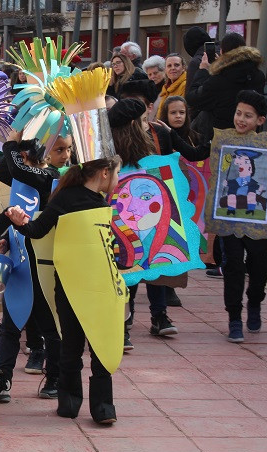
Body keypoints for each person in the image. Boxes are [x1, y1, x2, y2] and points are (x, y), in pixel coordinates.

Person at [13, 155, 122, 424]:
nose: (118, 181)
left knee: (100, 343)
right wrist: (20, 222)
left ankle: (103, 407)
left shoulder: (103, 203)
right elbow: (38, 230)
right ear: (105, 173)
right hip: (70, 285)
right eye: (117, 174)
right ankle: (69, 401)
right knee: (71, 344)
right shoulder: (65, 198)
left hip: (101, 285)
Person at [0, 135, 63, 402]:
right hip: (18, 265)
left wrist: (11, 143)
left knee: (50, 327)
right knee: (9, 326)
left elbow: (17, 168)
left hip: (42, 267)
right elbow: (2, 169)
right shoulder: (23, 181)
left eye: (67, 150)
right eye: (59, 149)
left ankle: (54, 378)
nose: (64, 156)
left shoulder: (50, 178)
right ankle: (0, 379)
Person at [108, 97, 181, 339]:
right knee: (126, 267)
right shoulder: (110, 155)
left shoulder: (149, 151)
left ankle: (158, 316)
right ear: (132, 125)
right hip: (123, 219)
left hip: (148, 218)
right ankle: (123, 322)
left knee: (155, 263)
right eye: (142, 121)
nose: (147, 125)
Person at [220, 90, 267, 342]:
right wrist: (171, 135)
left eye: (248, 116)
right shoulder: (223, 143)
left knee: (259, 264)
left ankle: (255, 301)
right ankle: (234, 319)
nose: (241, 119)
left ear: (259, 120)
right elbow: (197, 154)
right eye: (239, 113)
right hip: (230, 218)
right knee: (233, 265)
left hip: (259, 219)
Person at [186, 32, 265, 143]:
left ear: (222, 52)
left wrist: (203, 71)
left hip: (219, 138)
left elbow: (192, 98)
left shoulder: (220, 78)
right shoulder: (258, 75)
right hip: (248, 136)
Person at [156, 54, 187, 119]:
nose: (173, 68)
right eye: (169, 66)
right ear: (165, 70)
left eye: (176, 65)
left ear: (183, 68)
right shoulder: (166, 88)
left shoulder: (185, 85)